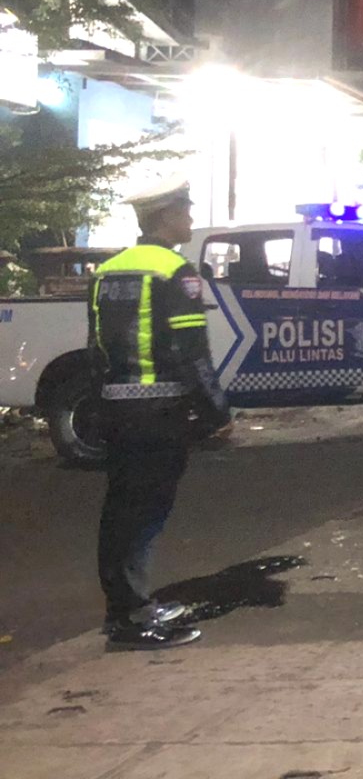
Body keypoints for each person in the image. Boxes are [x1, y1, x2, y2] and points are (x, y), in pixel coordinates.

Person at [90, 179, 230, 650]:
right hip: (160, 412)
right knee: (146, 512)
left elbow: (96, 350)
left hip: (118, 410)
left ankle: (127, 604)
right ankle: (129, 618)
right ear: (164, 217)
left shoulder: (108, 270)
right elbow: (192, 352)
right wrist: (217, 411)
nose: (190, 219)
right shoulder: (175, 271)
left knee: (120, 510)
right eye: (185, 211)